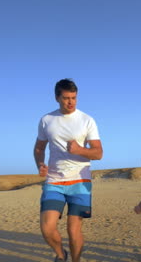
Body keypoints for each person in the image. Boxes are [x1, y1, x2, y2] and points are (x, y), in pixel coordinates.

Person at [33, 78, 103, 262]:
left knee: (73, 230)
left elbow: (98, 153)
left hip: (80, 182)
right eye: (66, 98)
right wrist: (40, 164)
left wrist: (79, 150)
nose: (71, 102)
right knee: (47, 228)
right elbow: (39, 148)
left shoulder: (87, 120)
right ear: (57, 98)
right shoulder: (46, 120)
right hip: (54, 181)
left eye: (74, 97)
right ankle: (60, 254)